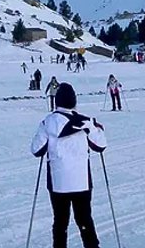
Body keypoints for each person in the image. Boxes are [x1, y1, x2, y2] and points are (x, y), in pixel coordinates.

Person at [30, 83, 105, 248]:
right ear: (74, 101)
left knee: (60, 222)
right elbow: (100, 146)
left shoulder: (47, 122)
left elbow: (36, 150)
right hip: (81, 180)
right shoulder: (85, 121)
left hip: (58, 182)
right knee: (84, 218)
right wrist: (97, 129)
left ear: (56, 101)